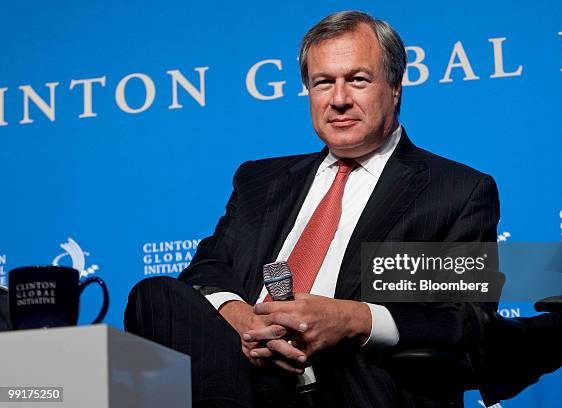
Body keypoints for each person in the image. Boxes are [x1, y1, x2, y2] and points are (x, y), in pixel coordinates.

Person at [125, 11, 501, 408]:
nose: (339, 100)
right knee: (155, 295)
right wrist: (240, 317)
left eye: (357, 79)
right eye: (324, 83)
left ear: (394, 86)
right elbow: (208, 267)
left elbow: (468, 320)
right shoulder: (261, 181)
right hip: (238, 369)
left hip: (344, 382)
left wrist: (353, 319)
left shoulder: (451, 191)